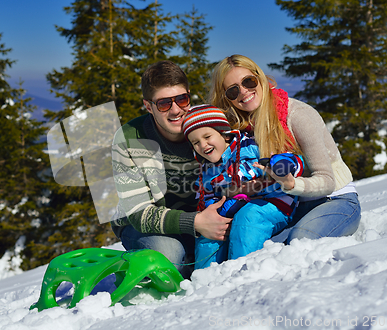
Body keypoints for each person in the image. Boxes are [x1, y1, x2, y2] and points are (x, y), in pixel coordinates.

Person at [208, 54, 361, 244]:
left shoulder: (297, 115)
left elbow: (327, 181)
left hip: (334, 199)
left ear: (260, 78)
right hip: (289, 204)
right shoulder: (243, 127)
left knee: (300, 241)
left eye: (249, 81)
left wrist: (291, 184)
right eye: (233, 91)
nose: (243, 92)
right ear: (226, 98)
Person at [110, 60, 230, 279]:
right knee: (170, 256)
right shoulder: (129, 138)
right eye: (164, 104)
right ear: (149, 106)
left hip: (201, 218)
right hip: (145, 225)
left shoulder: (204, 128)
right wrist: (196, 222)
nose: (176, 110)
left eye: (182, 99)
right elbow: (138, 213)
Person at [182, 104, 304, 269]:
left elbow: (294, 160)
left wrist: (283, 165)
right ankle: (203, 281)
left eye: (207, 137)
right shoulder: (206, 170)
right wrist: (219, 210)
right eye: (195, 142)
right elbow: (206, 197)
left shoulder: (251, 146)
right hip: (234, 208)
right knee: (210, 232)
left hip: (274, 203)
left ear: (224, 134)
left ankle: (241, 272)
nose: (203, 145)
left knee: (249, 217)